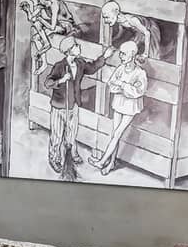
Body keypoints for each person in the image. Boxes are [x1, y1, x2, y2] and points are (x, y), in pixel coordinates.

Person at [43, 36, 112, 174]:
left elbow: (92, 68)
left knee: (72, 133)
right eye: (76, 46)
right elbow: (48, 83)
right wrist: (61, 80)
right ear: (69, 51)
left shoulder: (80, 63)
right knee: (57, 135)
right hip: (59, 106)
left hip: (73, 105)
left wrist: (104, 57)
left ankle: (72, 154)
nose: (79, 47)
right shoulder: (59, 66)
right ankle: (54, 158)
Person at [91, 40, 147, 175]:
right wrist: (125, 87)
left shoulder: (140, 73)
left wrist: (122, 85)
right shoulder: (121, 68)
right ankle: (111, 163)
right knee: (115, 134)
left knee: (117, 134)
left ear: (132, 55)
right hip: (119, 103)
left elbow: (138, 92)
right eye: (120, 53)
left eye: (124, 54)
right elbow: (111, 85)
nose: (121, 56)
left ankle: (102, 161)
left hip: (130, 107)